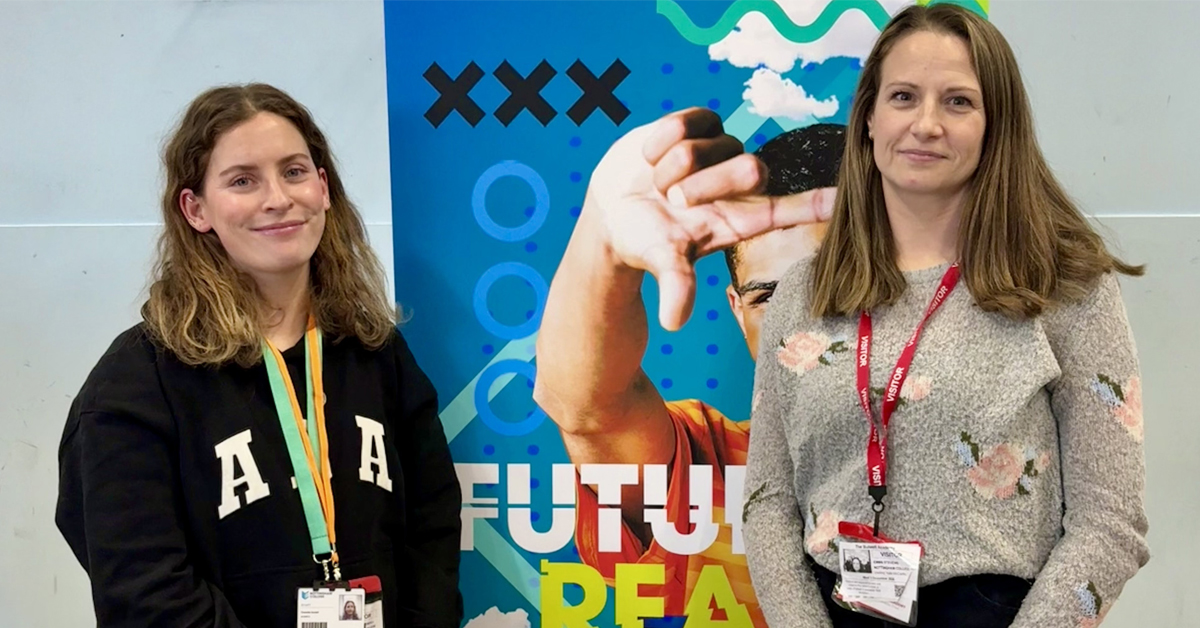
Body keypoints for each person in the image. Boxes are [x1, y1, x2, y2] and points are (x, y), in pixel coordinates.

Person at [742, 4, 1149, 628]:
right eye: (904, 96)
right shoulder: (802, 292)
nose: (926, 124)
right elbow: (769, 502)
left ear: (995, 125)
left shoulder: (1064, 284)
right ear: (870, 120)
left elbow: (1110, 522)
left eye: (958, 102)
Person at [54, 83, 463, 628]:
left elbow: (433, 532)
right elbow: (141, 587)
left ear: (322, 187)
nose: (277, 198)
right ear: (195, 208)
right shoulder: (137, 382)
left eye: (294, 171)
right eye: (243, 181)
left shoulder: (377, 352)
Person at [533, 115, 842, 623]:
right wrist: (603, 243)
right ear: (738, 311)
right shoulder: (713, 468)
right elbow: (588, 411)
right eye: (771, 297)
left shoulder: (991, 455)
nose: (805, 329)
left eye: (839, 288)